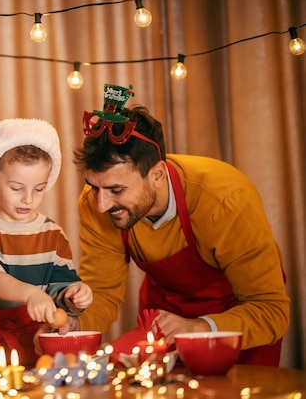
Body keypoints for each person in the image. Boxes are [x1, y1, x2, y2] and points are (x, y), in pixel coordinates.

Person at [66, 83, 290, 366]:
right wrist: (76, 323)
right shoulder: (96, 202)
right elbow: (102, 291)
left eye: (116, 190)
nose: (101, 205)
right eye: (94, 187)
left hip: (241, 320)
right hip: (166, 317)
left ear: (157, 174)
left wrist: (199, 328)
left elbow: (271, 310)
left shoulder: (225, 200)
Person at [0, 118, 93, 365]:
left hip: (37, 336)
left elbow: (60, 288)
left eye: (39, 188)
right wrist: (31, 294)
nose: (28, 199)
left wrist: (75, 294)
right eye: (16, 188)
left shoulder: (52, 233)